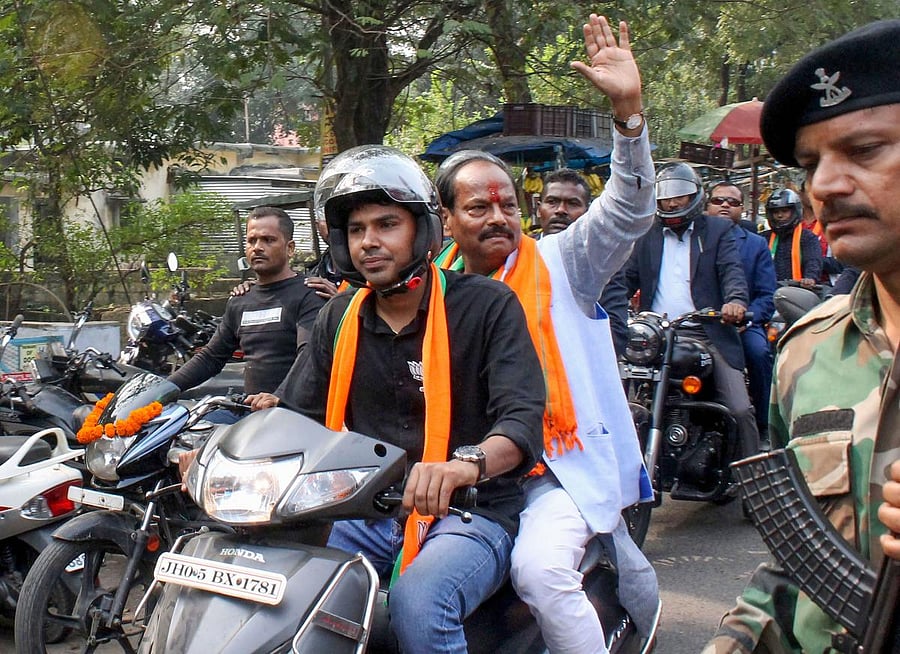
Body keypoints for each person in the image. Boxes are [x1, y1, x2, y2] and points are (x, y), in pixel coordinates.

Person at [253, 145, 545, 654]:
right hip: (362, 509)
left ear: (421, 231)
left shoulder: (487, 306)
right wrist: (218, 450)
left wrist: (464, 466)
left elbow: (520, 421)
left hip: (470, 512)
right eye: (357, 230)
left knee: (419, 602)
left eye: (387, 224)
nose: (370, 242)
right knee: (287, 596)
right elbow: (298, 413)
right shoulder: (339, 317)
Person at [433, 15, 660, 653]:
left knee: (540, 571)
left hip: (551, 469)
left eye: (507, 203)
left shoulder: (565, 262)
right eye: (478, 207)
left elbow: (630, 208)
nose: (498, 216)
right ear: (447, 219)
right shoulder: (429, 290)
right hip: (457, 468)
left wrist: (629, 115)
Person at [704, 19, 900, 654]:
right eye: (812, 163)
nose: (825, 186)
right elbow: (794, 579)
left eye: (864, 150)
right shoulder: (808, 353)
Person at [621, 162, 760, 460]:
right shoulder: (646, 233)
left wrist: (735, 301)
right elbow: (624, 279)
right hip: (655, 336)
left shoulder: (718, 230)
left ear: (695, 195)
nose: (672, 201)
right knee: (619, 401)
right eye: (666, 195)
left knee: (738, 408)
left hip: (707, 333)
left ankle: (755, 481)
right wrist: (610, 308)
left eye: (680, 195)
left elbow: (731, 271)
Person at [167, 206, 325, 403]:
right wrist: (163, 390)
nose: (257, 247)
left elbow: (308, 355)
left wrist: (280, 397)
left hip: (295, 416)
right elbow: (210, 357)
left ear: (290, 248)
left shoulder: (310, 294)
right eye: (252, 241)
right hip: (250, 415)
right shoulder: (241, 300)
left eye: (268, 240)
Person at [706, 181, 776, 445]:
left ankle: (763, 426)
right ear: (706, 205)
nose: (725, 205)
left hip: (744, 325)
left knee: (758, 353)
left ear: (742, 209)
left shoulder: (756, 244)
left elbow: (767, 295)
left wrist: (748, 318)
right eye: (718, 200)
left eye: (733, 202)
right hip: (700, 325)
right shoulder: (693, 238)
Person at [535, 167, 630, 356]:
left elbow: (616, 332)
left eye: (572, 203)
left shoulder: (603, 263)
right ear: (539, 209)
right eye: (552, 202)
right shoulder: (517, 253)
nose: (561, 210)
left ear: (588, 212)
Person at [761, 187, 823, 288]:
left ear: (795, 211)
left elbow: (813, 261)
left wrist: (810, 278)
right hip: (767, 291)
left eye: (784, 211)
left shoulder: (807, 237)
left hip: (799, 292)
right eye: (775, 212)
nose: (780, 215)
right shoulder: (763, 238)